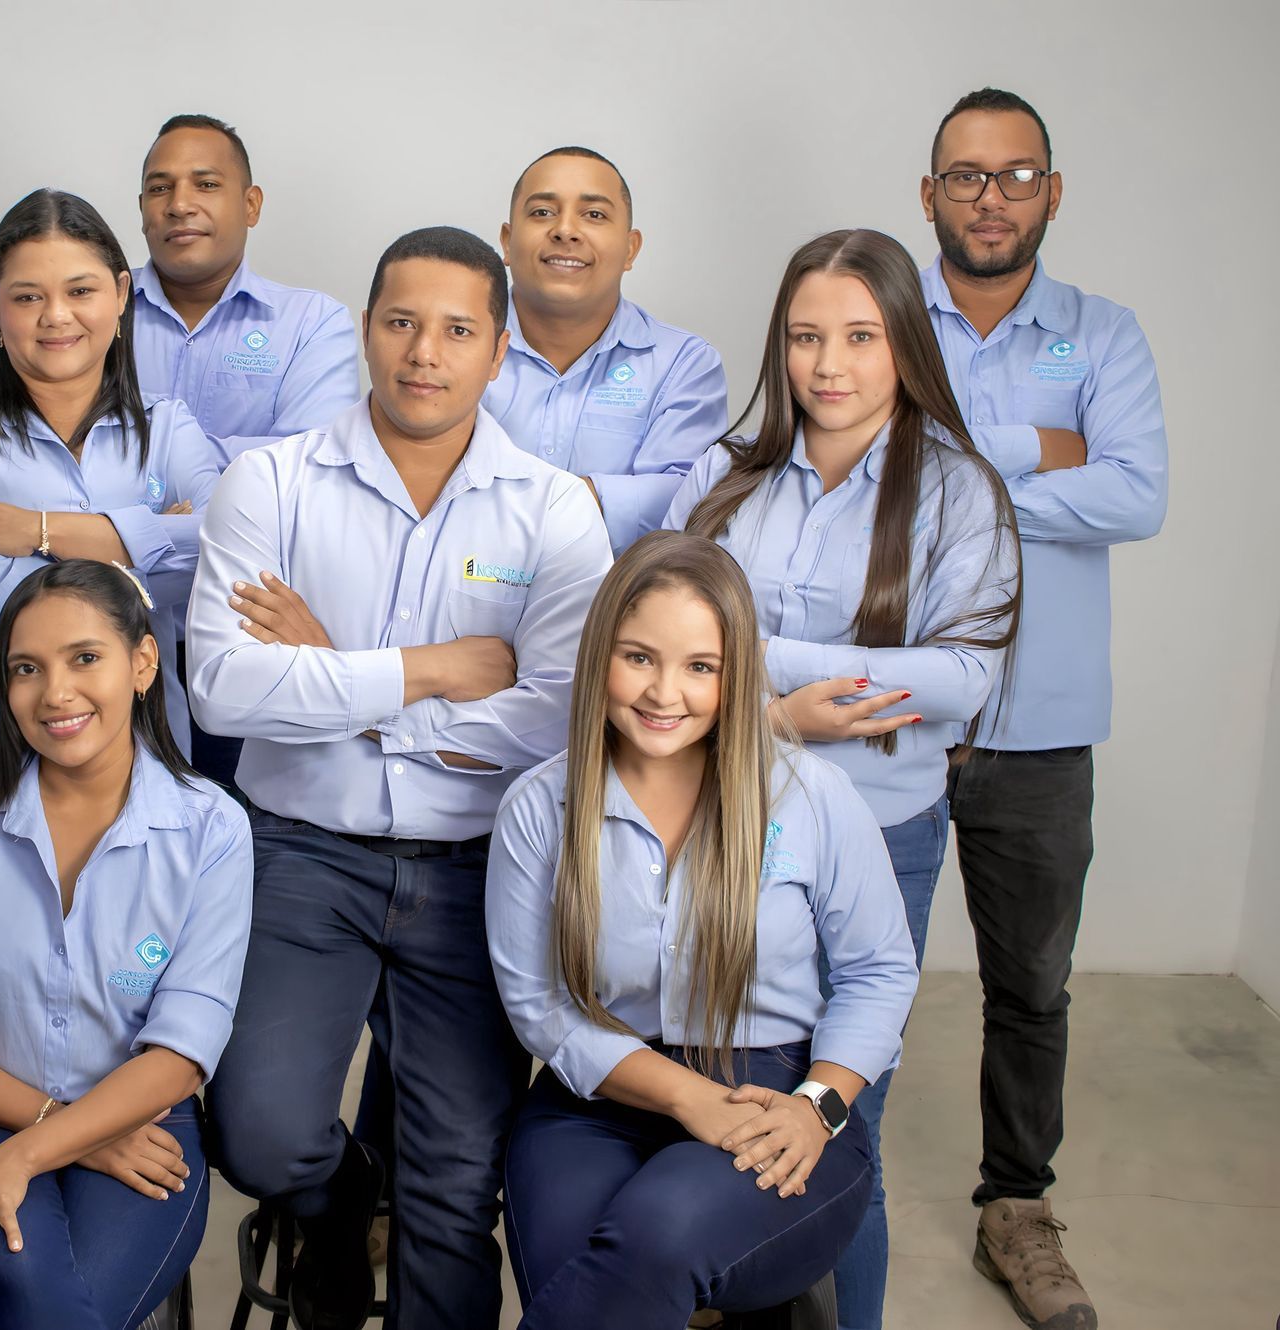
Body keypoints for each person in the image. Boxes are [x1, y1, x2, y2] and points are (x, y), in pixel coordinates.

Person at [190, 226, 613, 1330]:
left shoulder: (553, 508)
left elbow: (565, 716)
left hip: (479, 867)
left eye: (458, 329)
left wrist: (336, 677)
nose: (424, 351)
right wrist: (430, 675)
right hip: (301, 854)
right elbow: (223, 693)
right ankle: (336, 1207)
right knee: (258, 1129)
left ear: (499, 350)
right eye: (400, 322)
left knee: (456, 1188)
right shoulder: (269, 482)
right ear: (365, 330)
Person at [0, 188, 219, 1329]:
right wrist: (119, 576)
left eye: (79, 290)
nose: (54, 316)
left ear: (122, 298)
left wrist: (30, 532)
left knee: (112, 1007)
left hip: (128, 770)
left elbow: (213, 552)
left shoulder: (173, 431)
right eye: (25, 295)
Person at [666, 227, 1020, 1330]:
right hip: (719, 826)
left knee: (838, 1115)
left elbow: (962, 677)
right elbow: (655, 638)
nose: (830, 364)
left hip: (878, 834)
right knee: (721, 1098)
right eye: (807, 335)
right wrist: (777, 711)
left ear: (905, 343)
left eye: (860, 336)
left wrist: (757, 662)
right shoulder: (731, 472)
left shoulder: (959, 491)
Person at [488, 530, 919, 1328]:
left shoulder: (811, 794)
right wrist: (688, 1099)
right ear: (599, 657)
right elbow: (541, 1007)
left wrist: (817, 1105)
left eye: (700, 668)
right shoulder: (538, 808)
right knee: (568, 1253)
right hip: (601, 1093)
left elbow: (879, 972)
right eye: (639, 657)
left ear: (736, 676)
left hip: (776, 1092)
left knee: (658, 1231)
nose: (664, 694)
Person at [919, 87, 1168, 1330]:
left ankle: (1016, 1206)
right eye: (967, 176)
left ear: (1052, 193)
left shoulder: (1101, 333)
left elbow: (1137, 493)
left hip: (1042, 724)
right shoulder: (879, 319)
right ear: (930, 196)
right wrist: (1045, 449)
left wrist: (968, 458)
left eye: (1017, 175)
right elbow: (860, 477)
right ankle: (795, 1183)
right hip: (891, 715)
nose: (991, 196)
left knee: (1032, 986)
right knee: (823, 966)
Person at [0, 559, 252, 1330]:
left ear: (143, 664)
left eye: (85, 659)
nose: (55, 694)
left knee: (54, 1309)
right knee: (42, 1297)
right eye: (26, 669)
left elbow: (182, 1050)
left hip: (147, 1135)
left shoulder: (212, 827)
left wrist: (29, 1154)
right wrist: (60, 1134)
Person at [131, 112, 361, 785]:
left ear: (250, 204)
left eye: (205, 183)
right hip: (112, 629)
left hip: (253, 630)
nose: (180, 204)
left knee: (243, 854)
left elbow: (305, 469)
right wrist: (227, 475)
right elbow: (57, 455)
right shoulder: (93, 308)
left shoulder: (311, 323)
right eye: (159, 188)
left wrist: (143, 482)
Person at [483, 146, 728, 552]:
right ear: (507, 243)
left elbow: (690, 499)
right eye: (542, 212)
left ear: (631, 249)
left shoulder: (684, 365)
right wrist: (599, 500)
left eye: (594, 215)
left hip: (613, 611)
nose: (565, 230)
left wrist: (540, 503)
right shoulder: (453, 346)